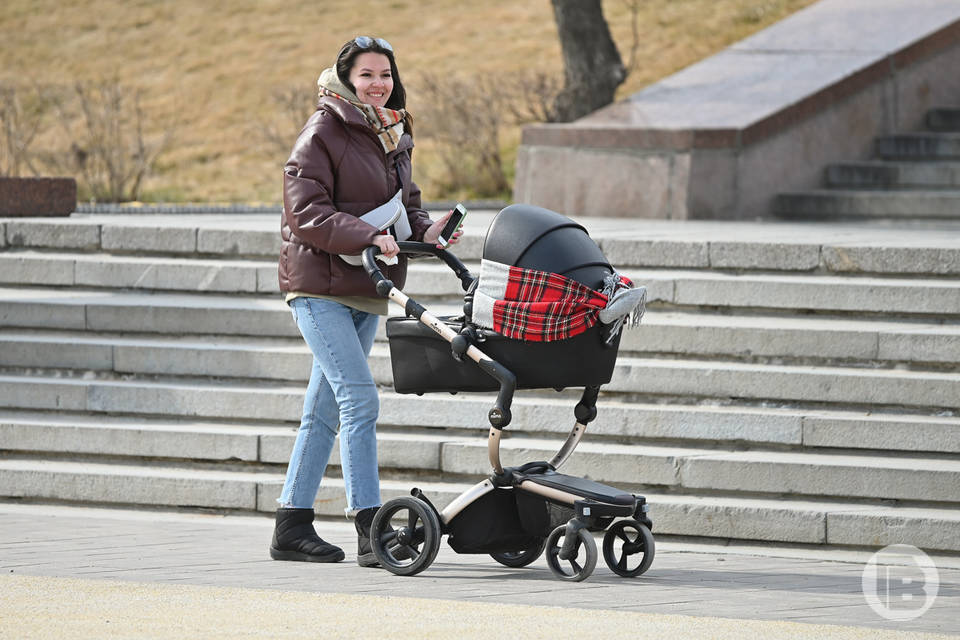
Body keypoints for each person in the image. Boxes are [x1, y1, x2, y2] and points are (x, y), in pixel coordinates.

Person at [272, 36, 461, 566]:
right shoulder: (323, 131)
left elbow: (405, 205)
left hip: (363, 286)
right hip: (318, 285)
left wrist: (431, 229)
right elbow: (304, 211)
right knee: (360, 400)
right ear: (345, 79)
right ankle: (369, 529)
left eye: (385, 75)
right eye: (366, 76)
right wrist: (363, 235)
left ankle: (291, 526)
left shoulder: (393, 131)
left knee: (323, 411)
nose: (378, 84)